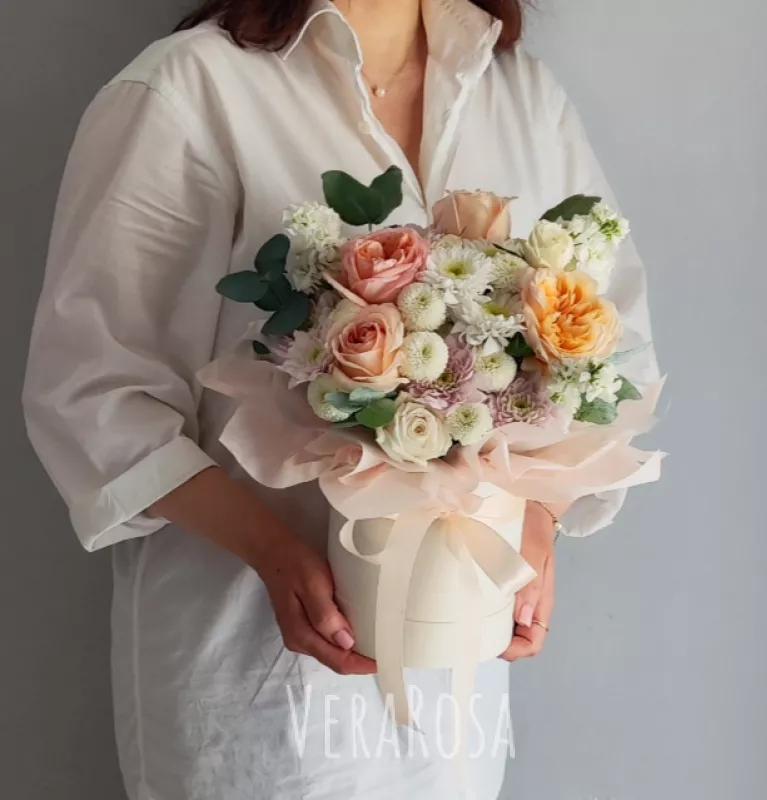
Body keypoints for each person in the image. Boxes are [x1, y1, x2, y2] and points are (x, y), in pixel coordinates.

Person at [22, 0, 658, 797]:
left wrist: (538, 522)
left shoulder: (520, 95)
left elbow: (612, 347)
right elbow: (95, 388)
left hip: (460, 671)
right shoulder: (191, 91)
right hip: (254, 673)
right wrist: (271, 551)